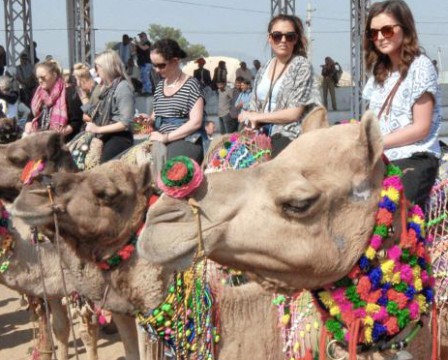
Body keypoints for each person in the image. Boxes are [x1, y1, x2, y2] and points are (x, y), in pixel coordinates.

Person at [362, 0, 441, 209]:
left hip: (414, 156)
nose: (379, 37)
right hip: (380, 156)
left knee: (392, 213)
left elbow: (421, 128)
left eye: (387, 30)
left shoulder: (420, 67)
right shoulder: (379, 71)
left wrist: (377, 142)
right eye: (374, 33)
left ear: (404, 29)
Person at [238, 14, 321, 157]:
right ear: (269, 38)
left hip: (290, 134)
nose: (283, 40)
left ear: (295, 40)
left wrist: (258, 117)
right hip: (260, 132)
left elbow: (294, 113)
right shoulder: (264, 67)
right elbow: (254, 106)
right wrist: (248, 119)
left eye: (290, 36)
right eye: (277, 36)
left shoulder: (302, 66)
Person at [149, 38, 205, 164]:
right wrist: (145, 121)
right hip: (159, 139)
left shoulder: (192, 85)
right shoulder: (159, 86)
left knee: (171, 169)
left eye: (161, 65)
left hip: (186, 140)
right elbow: (155, 116)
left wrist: (166, 137)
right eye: (154, 65)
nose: (157, 70)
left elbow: (196, 122)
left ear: (175, 61)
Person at [85, 50, 135, 163]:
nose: (96, 72)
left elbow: (125, 123)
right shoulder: (107, 88)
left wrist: (98, 129)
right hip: (105, 134)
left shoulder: (123, 87)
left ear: (106, 67)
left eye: (96, 67)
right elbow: (91, 111)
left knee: (104, 170)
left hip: (119, 137)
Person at [25, 58, 82, 142]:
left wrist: (58, 134)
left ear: (54, 75)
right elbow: (32, 115)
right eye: (38, 78)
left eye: (43, 77)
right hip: (40, 139)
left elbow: (77, 121)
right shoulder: (38, 93)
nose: (40, 81)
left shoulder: (69, 92)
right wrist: (28, 123)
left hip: (63, 141)